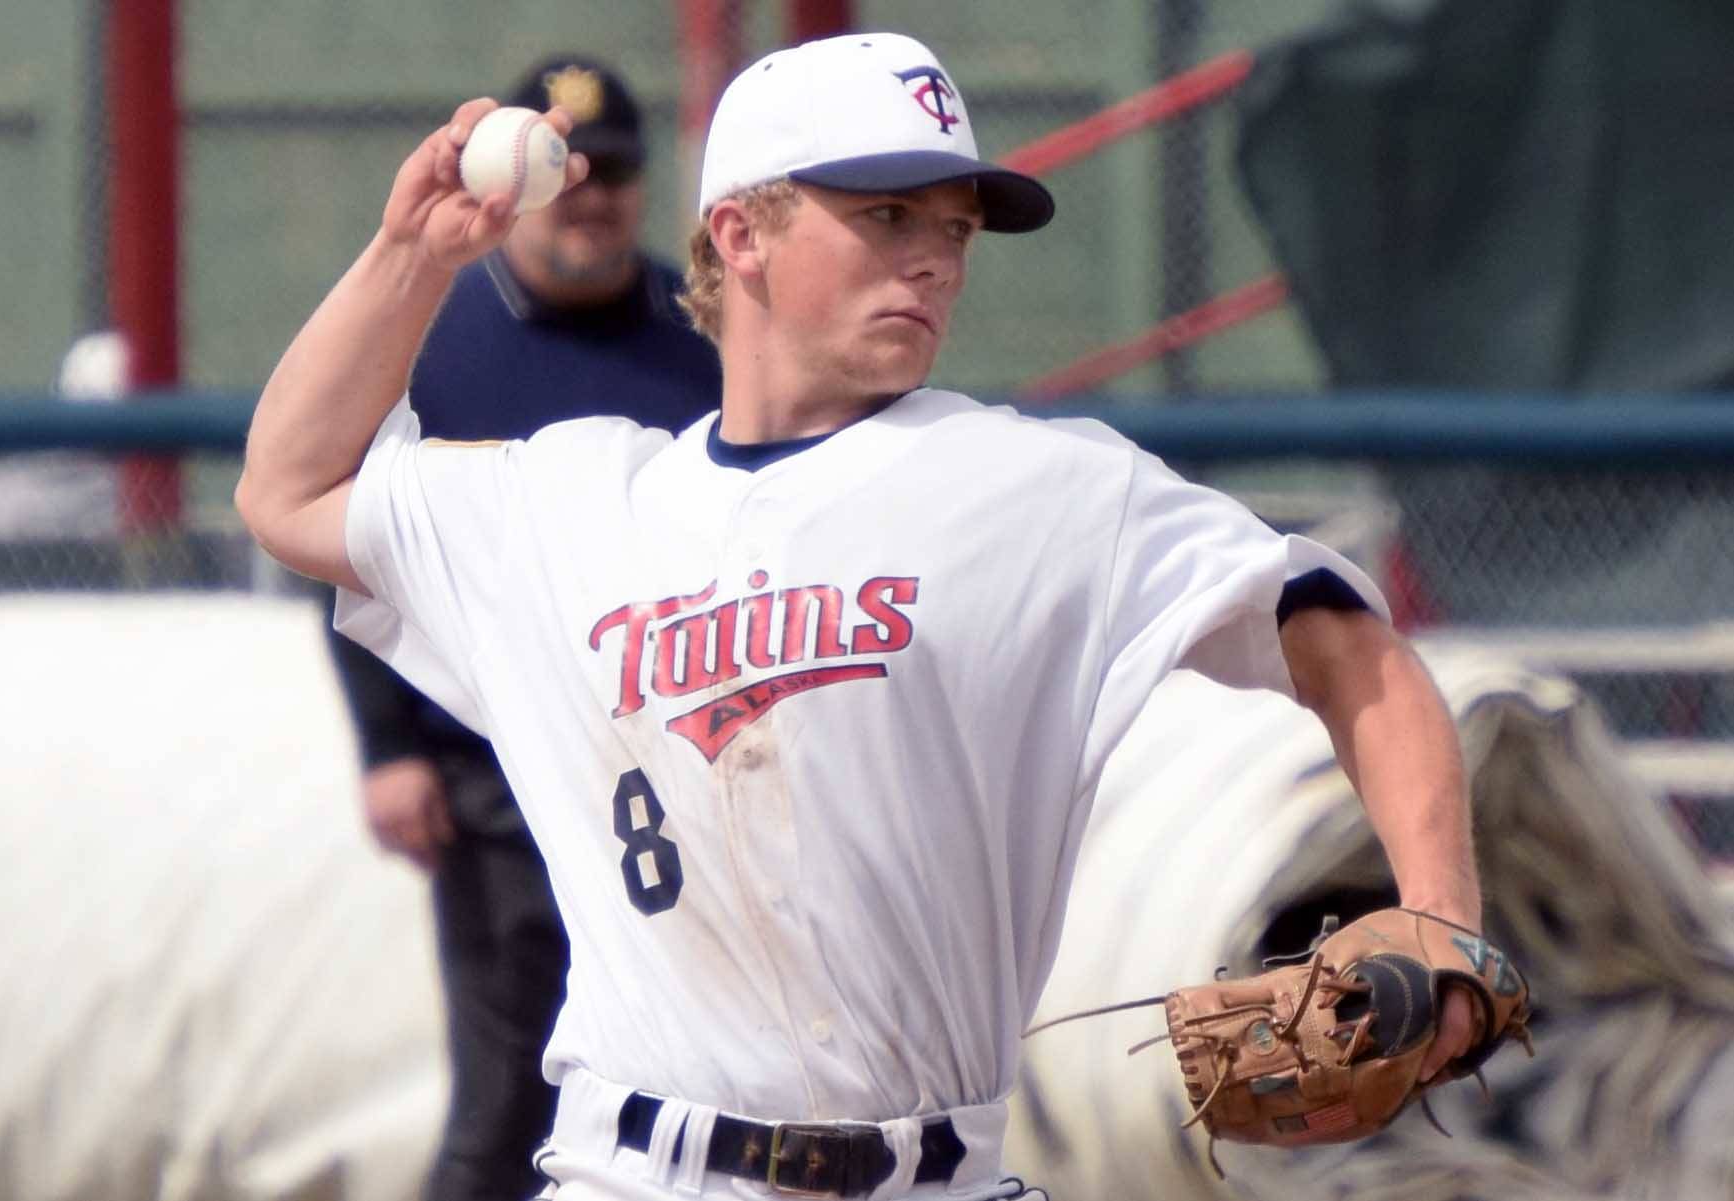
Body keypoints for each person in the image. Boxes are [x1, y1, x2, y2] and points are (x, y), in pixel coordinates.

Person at [238, 32, 1483, 1201]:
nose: (934, 255)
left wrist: (1438, 914)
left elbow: (1343, 639)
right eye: (883, 214)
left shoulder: (1045, 488)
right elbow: (288, 487)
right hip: (635, 1169)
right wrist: (413, 251)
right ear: (741, 233)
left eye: (953, 224)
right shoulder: (566, 501)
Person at [323, 55, 720, 1201]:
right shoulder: (439, 341)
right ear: (521, 189)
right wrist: (388, 746)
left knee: (679, 1088)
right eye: (570, 173)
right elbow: (337, 537)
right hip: (493, 781)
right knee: (509, 1102)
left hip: (666, 777)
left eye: (616, 175)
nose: (591, 195)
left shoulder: (697, 333)